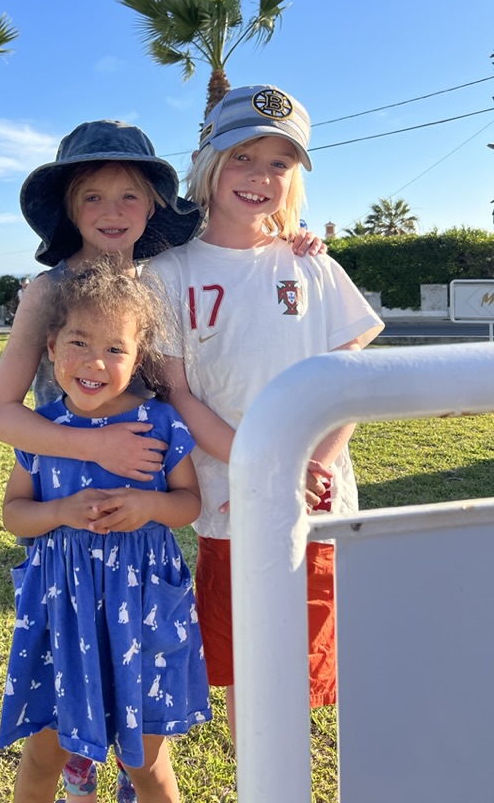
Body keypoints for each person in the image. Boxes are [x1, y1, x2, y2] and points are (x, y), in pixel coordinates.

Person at [0, 116, 323, 802]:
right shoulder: (47, 292)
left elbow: (238, 264)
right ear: (68, 208)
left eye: (130, 196)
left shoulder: (166, 277)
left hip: (145, 538)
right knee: (57, 718)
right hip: (67, 528)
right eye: (92, 196)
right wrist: (94, 444)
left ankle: (116, 761)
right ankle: (79, 754)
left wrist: (289, 243)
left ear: (153, 206)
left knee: (142, 721)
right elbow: (1, 414)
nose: (111, 212)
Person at [143, 84, 384, 739]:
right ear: (208, 162)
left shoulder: (313, 266)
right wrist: (267, 467)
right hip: (233, 504)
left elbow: (350, 375)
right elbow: (180, 394)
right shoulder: (168, 274)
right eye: (243, 157)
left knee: (302, 666)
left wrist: (315, 464)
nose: (260, 177)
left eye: (279, 163)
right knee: (245, 670)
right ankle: (257, 777)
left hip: (315, 501)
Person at [0, 262, 211, 803]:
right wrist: (60, 512)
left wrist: (148, 505)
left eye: (115, 349)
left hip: (141, 610)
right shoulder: (43, 430)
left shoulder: (161, 423)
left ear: (138, 359)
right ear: (51, 348)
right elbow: (14, 513)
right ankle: (77, 767)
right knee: (43, 756)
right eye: (78, 342)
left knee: (147, 764)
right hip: (63, 615)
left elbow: (189, 503)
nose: (94, 362)